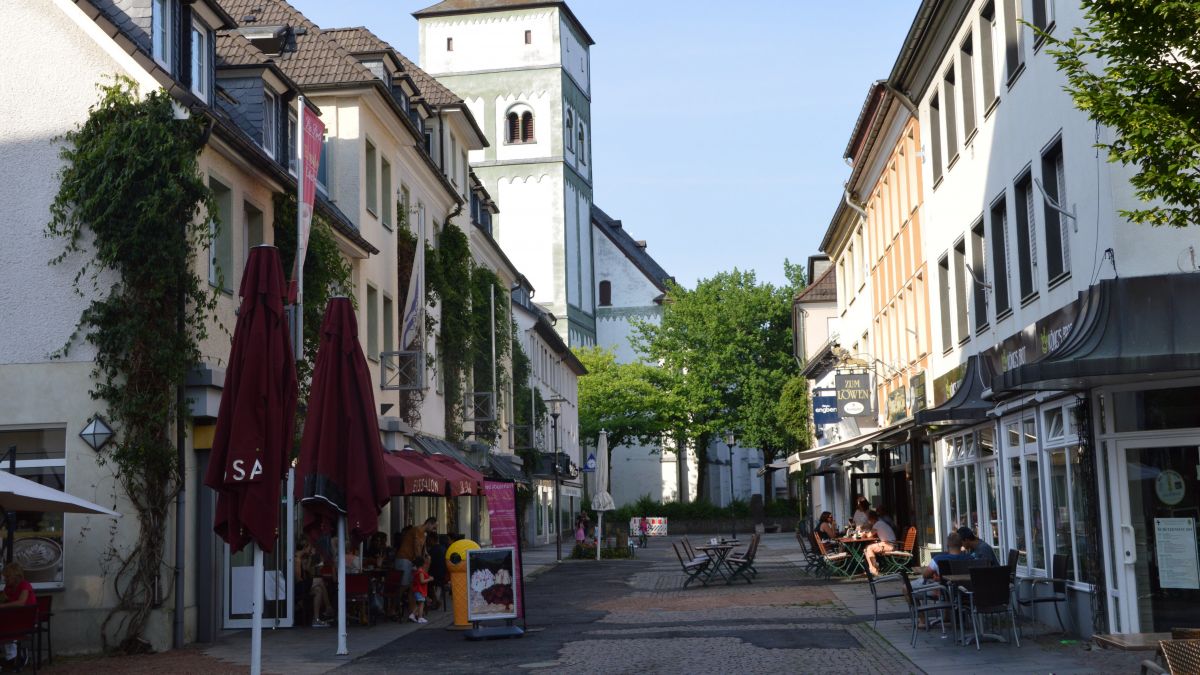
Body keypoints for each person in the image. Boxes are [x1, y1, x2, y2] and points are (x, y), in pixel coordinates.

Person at [0, 562, 35, 666]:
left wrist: (2, 606)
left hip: (26, 619)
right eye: (4, 577)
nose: (5, 579)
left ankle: (14, 656)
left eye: (7, 577)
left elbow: (21, 602)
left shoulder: (25, 585)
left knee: (4, 627)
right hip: (14, 619)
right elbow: (3, 601)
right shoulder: (8, 588)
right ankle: (12, 657)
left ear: (16, 576)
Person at [296, 538, 332, 627]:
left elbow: (307, 570)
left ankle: (316, 619)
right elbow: (298, 578)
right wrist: (308, 585)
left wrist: (310, 557)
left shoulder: (301, 558)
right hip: (297, 587)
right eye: (309, 547)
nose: (310, 549)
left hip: (301, 585)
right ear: (305, 547)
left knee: (318, 590)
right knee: (319, 581)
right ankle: (328, 607)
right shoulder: (296, 559)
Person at [864, 510, 897, 575]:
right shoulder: (880, 523)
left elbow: (869, 535)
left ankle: (875, 569)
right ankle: (872, 569)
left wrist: (863, 533)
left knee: (869, 548)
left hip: (890, 545)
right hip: (889, 543)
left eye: (868, 519)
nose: (868, 521)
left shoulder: (877, 524)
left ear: (871, 519)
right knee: (866, 549)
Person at [427, 533, 449, 611]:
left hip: (435, 576)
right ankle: (435, 601)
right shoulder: (444, 549)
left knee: (424, 582)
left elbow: (429, 564)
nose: (428, 542)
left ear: (432, 540)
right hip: (443, 575)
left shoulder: (432, 550)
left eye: (428, 540)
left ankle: (434, 601)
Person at [409, 555, 432, 624]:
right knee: (421, 604)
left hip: (417, 590)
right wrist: (429, 579)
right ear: (423, 564)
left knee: (419, 604)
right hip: (420, 590)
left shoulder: (416, 571)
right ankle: (420, 617)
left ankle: (412, 615)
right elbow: (422, 581)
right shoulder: (420, 572)